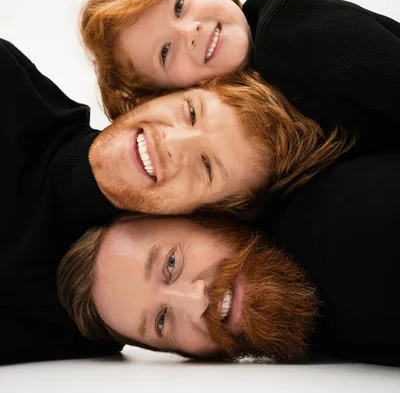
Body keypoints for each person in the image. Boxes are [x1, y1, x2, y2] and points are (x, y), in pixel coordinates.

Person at [0, 38, 347, 364]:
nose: (172, 144)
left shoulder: (91, 321)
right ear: (153, 93)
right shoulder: (11, 86)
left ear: (207, 211)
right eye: (191, 112)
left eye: (208, 167)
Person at [58, 152, 400, 367]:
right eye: (162, 322)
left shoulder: (352, 216)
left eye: (171, 264)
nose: (195, 302)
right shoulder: (300, 327)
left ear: (205, 214)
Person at [80, 0, 400, 156]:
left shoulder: (282, 30)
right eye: (165, 52)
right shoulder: (241, 120)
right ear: (171, 94)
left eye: (179, 6)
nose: (190, 31)